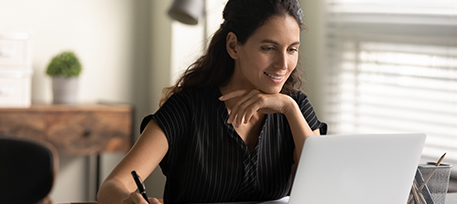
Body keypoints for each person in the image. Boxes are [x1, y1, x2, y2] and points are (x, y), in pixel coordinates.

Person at [97, 0, 327, 203]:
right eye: (269, 48)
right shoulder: (186, 108)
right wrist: (127, 200)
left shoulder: (295, 107)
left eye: (292, 49)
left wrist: (288, 108)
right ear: (233, 46)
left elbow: (323, 184)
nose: (283, 64)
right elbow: (111, 186)